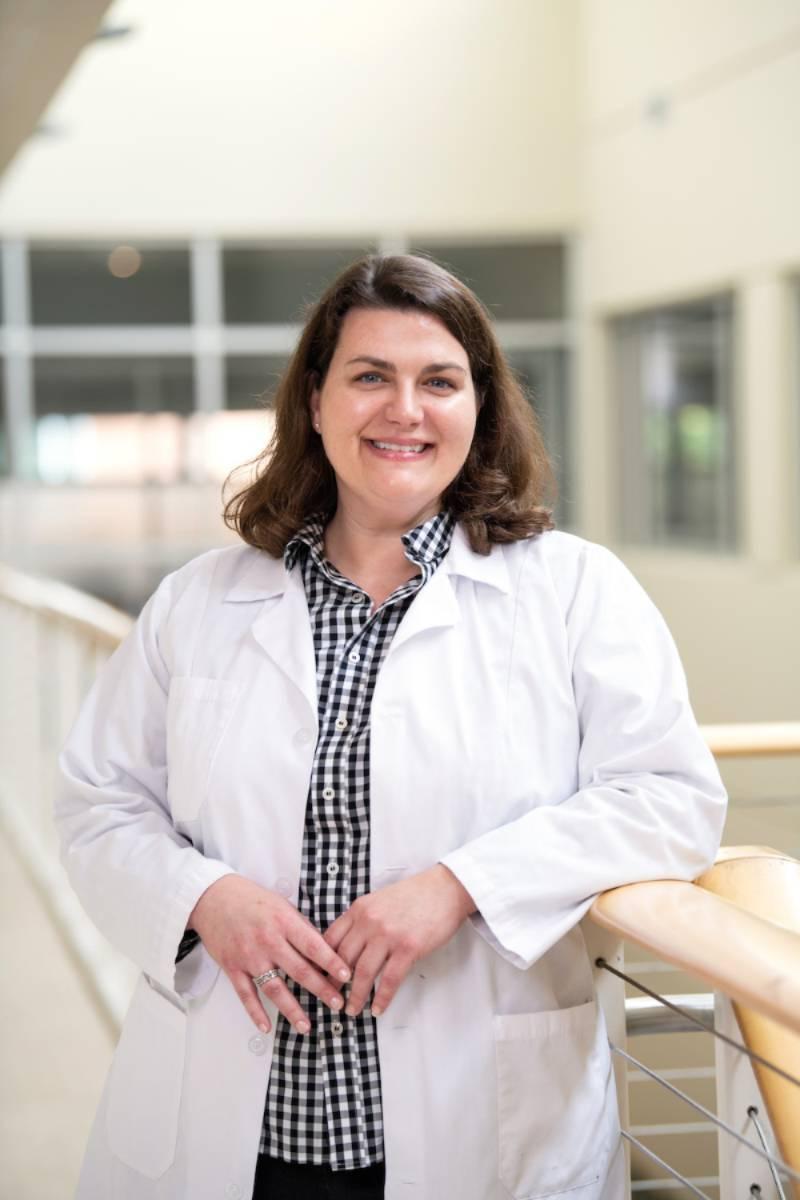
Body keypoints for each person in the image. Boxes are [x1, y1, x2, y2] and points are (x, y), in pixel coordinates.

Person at [55, 253, 727, 1200]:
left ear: (478, 411)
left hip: (476, 1126)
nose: (404, 410)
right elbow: (100, 803)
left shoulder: (576, 590)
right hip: (233, 1129)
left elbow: (669, 798)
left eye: (439, 381)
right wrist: (204, 896)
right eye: (370, 376)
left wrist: (462, 885)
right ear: (316, 402)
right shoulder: (199, 601)